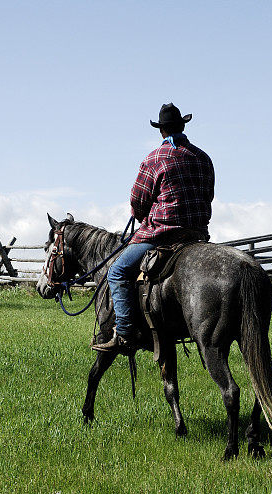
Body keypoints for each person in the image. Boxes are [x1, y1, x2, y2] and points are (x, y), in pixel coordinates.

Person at [92, 103, 215, 353]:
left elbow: (138, 201)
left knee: (116, 272)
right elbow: (208, 195)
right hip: (197, 235)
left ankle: (124, 332)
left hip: (162, 234)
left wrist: (141, 215)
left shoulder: (154, 159)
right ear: (182, 126)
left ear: (161, 131)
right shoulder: (203, 157)